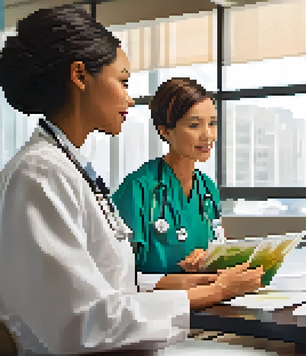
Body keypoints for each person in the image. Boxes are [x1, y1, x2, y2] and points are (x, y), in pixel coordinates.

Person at [0, 5, 262, 355]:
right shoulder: (40, 174)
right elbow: (83, 322)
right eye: (122, 81)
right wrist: (213, 292)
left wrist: (190, 282)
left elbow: (111, 284)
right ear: (80, 76)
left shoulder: (69, 168)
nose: (130, 98)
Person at [112, 77, 238, 291]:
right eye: (194, 125)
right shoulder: (138, 189)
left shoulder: (207, 189)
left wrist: (206, 260)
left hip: (203, 304)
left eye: (212, 123)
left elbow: (218, 248)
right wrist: (175, 282)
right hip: (150, 312)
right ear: (165, 131)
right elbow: (114, 275)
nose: (207, 135)